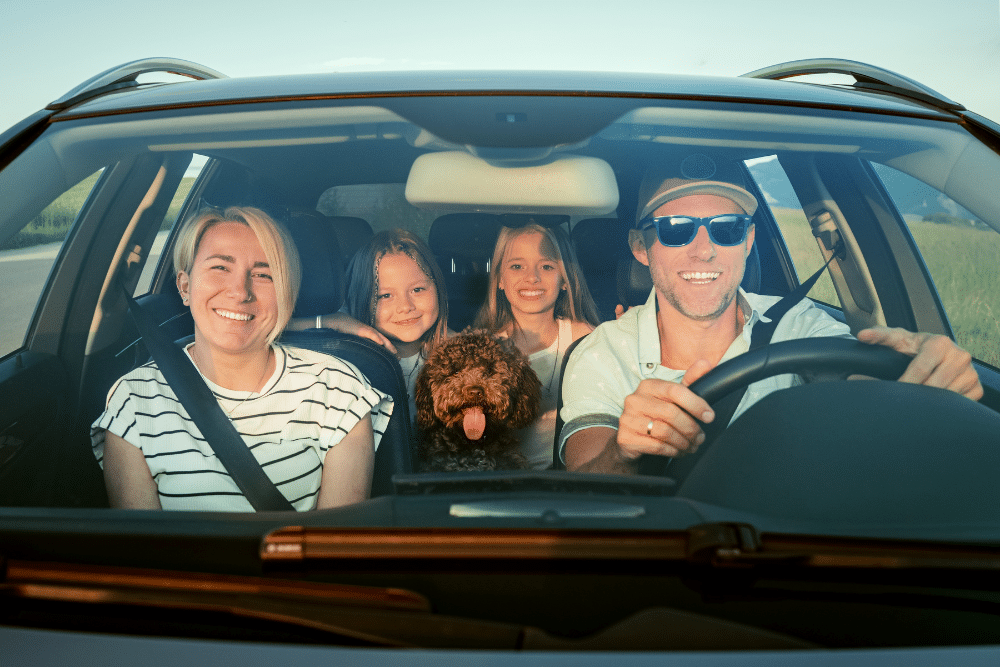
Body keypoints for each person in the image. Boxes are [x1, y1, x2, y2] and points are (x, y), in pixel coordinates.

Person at [560, 162, 983, 474]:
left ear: (748, 241)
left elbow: (858, 384)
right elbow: (583, 479)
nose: (703, 250)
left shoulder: (796, 323)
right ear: (640, 247)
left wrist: (924, 377)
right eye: (675, 228)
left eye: (726, 228)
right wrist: (622, 451)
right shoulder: (603, 351)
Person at [92, 206, 392, 511]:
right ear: (184, 286)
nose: (240, 291)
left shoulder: (338, 389)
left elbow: (330, 549)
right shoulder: (134, 399)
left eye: (263, 274)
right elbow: (142, 552)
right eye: (220, 268)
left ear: (285, 293)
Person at [289, 229, 452, 421]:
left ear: (438, 289)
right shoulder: (344, 344)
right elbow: (274, 328)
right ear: (361, 298)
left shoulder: (460, 354)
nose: (405, 306)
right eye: (385, 295)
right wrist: (333, 322)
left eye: (417, 289)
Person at [474, 223, 600, 469]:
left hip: (569, 479)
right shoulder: (482, 349)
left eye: (546, 266)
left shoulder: (584, 338)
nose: (532, 277)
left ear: (565, 280)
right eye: (517, 266)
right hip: (501, 482)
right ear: (499, 278)